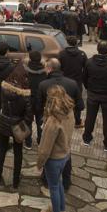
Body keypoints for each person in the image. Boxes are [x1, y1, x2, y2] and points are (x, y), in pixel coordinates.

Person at [38, 58, 81, 189]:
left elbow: (38, 106)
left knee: (48, 149)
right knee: (66, 148)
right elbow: (80, 105)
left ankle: (46, 179)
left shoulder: (44, 84)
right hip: (67, 122)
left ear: (50, 68)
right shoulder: (72, 83)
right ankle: (66, 181)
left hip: (50, 122)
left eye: (46, 67)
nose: (45, 69)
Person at [37, 86, 75, 212]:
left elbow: (45, 147)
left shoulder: (53, 120)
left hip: (54, 159)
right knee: (58, 183)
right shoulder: (70, 112)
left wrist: (40, 163)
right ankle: (61, 208)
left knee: (53, 187)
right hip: (65, 155)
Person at [0, 64, 33, 188]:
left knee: (2, 149)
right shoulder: (25, 94)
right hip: (18, 124)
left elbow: (1, 104)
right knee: (18, 152)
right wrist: (25, 125)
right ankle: (15, 182)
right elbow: (28, 115)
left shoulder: (3, 87)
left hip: (4, 121)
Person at [83, 41, 107, 151]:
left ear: (97, 49)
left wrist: (89, 89)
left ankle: (86, 138)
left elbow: (84, 78)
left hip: (93, 95)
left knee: (90, 117)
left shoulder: (89, 62)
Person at [58, 36, 87, 128]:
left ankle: (63, 120)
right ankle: (77, 122)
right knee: (77, 101)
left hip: (64, 81)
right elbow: (86, 68)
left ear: (67, 43)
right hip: (77, 82)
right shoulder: (82, 54)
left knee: (63, 100)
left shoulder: (62, 54)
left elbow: (58, 68)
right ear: (76, 43)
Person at [24, 50, 46, 147]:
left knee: (28, 121)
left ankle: (28, 143)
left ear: (30, 58)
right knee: (40, 122)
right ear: (40, 59)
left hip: (28, 100)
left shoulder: (25, 70)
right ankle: (40, 142)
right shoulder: (45, 72)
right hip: (40, 101)